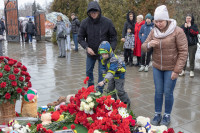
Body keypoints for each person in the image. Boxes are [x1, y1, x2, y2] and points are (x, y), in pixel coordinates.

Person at [141, 5, 188, 126]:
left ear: (166, 19)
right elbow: (143, 47)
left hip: (171, 68)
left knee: (168, 92)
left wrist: (177, 70)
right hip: (157, 67)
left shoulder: (177, 31)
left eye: (160, 21)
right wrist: (149, 44)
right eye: (156, 21)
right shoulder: (153, 31)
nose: (158, 24)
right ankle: (157, 113)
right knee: (158, 91)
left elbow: (183, 52)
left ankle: (167, 115)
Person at [78, 1, 117, 93]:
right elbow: (80, 37)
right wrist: (86, 47)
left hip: (103, 55)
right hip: (90, 52)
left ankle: (99, 91)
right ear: (88, 12)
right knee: (88, 72)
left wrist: (110, 51)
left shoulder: (107, 22)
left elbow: (114, 37)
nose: (93, 14)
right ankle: (90, 90)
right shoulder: (85, 22)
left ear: (99, 11)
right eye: (91, 12)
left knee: (101, 73)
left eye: (95, 11)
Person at [98, 41, 130, 109]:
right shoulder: (102, 58)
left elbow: (111, 71)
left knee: (119, 90)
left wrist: (104, 81)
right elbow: (103, 69)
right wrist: (104, 79)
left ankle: (126, 102)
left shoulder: (114, 59)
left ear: (109, 52)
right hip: (111, 74)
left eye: (105, 54)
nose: (103, 56)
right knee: (110, 89)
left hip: (119, 74)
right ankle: (113, 101)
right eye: (102, 54)